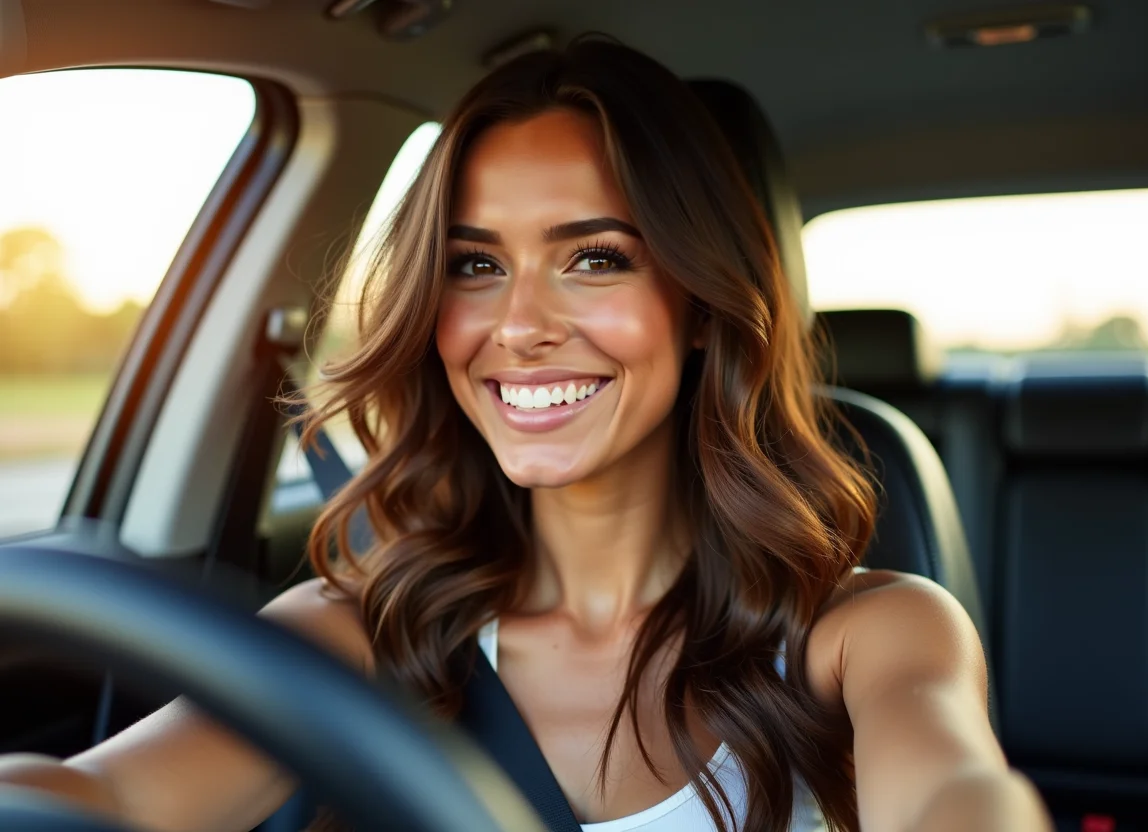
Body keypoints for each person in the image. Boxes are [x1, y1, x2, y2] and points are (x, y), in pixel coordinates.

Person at [0, 38, 1050, 832]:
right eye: (475, 265)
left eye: (593, 258)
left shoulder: (869, 633)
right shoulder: (361, 629)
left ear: (700, 307)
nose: (519, 326)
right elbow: (105, 795)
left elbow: (955, 796)